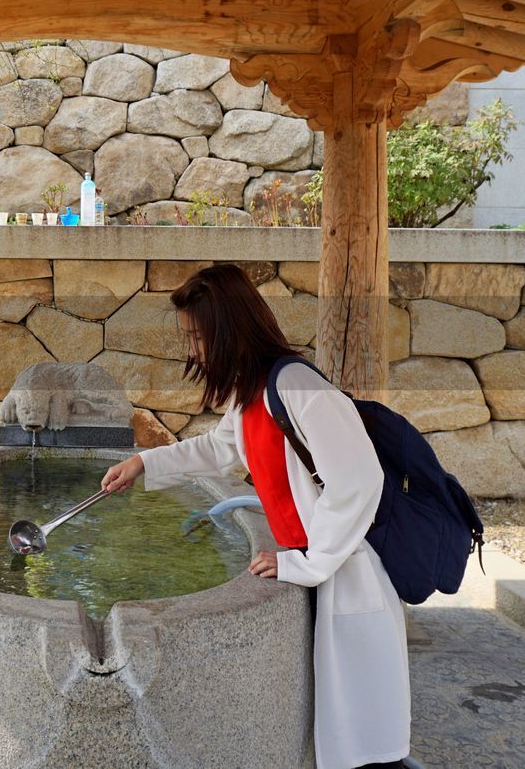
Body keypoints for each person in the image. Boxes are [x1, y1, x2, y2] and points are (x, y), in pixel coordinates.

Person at [100, 263, 412, 769]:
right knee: (333, 735)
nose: (193, 350)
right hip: (313, 572)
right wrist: (143, 463)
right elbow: (217, 450)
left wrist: (305, 564)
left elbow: (359, 481)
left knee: (365, 744)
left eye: (197, 336)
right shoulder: (254, 392)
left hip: (347, 575)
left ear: (227, 329)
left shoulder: (295, 385)